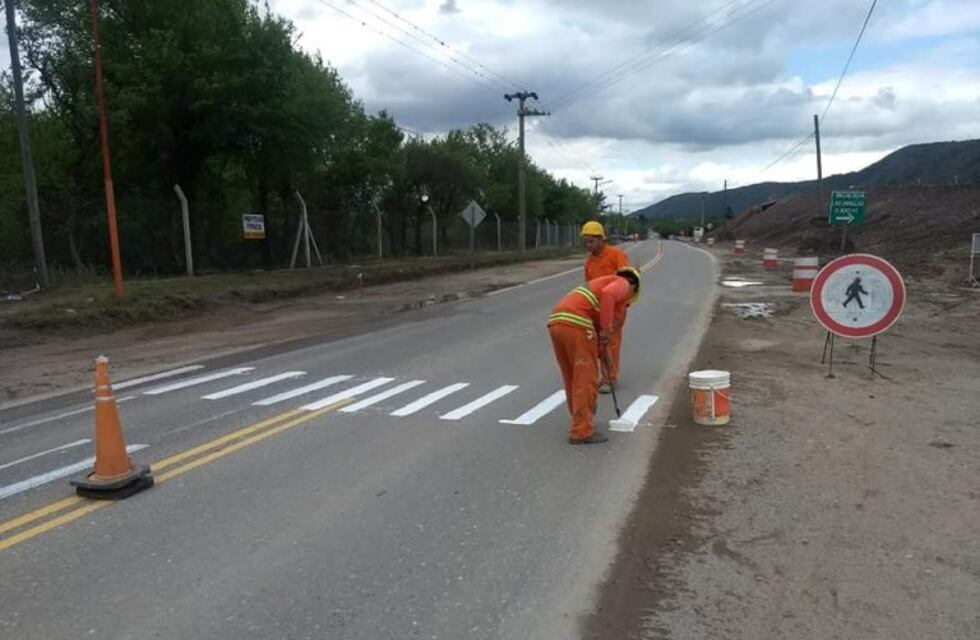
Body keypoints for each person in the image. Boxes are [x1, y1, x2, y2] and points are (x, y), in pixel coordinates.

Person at [547, 267, 641, 444]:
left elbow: (596, 336)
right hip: (577, 323)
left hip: (557, 322)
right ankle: (581, 431)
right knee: (586, 378)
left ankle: (582, 417)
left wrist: (603, 353)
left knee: (572, 376)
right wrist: (606, 330)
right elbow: (609, 295)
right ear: (633, 286)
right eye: (628, 300)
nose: (625, 303)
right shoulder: (622, 283)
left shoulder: (596, 290)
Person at [580, 221, 631, 393]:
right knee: (597, 343)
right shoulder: (589, 262)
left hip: (615, 308)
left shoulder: (616, 255)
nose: (588, 245)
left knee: (611, 341)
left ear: (601, 239)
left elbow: (627, 280)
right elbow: (588, 285)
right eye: (585, 242)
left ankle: (610, 379)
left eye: (591, 241)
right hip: (596, 308)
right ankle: (602, 376)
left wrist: (624, 303)